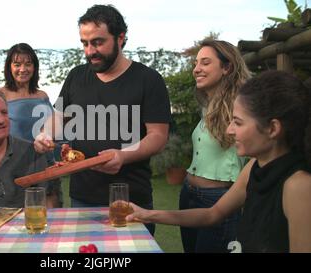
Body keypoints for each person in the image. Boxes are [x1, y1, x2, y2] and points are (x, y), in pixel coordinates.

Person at [127, 70, 311, 253]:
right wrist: (147, 214)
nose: (229, 130)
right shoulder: (253, 168)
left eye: (238, 123)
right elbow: (212, 214)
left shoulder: (298, 186)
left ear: (272, 128)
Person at [34, 4, 171, 235]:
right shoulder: (76, 76)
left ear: (120, 38)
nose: (90, 51)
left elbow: (158, 136)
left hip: (129, 199)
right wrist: (45, 133)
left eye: (98, 42)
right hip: (82, 197)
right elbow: (58, 118)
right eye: (85, 44)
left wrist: (124, 156)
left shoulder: (148, 79)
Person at [176, 39, 251, 252]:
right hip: (188, 193)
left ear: (227, 67)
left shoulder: (244, 106)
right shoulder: (208, 106)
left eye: (205, 63)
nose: (197, 69)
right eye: (196, 64)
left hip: (218, 199)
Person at [0, 43, 61, 208]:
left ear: (34, 67)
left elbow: (54, 126)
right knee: (15, 222)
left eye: (28, 64)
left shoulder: (42, 95)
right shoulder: (0, 95)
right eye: (17, 64)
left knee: (52, 221)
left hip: (46, 166)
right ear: (9, 67)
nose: (23, 69)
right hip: (15, 168)